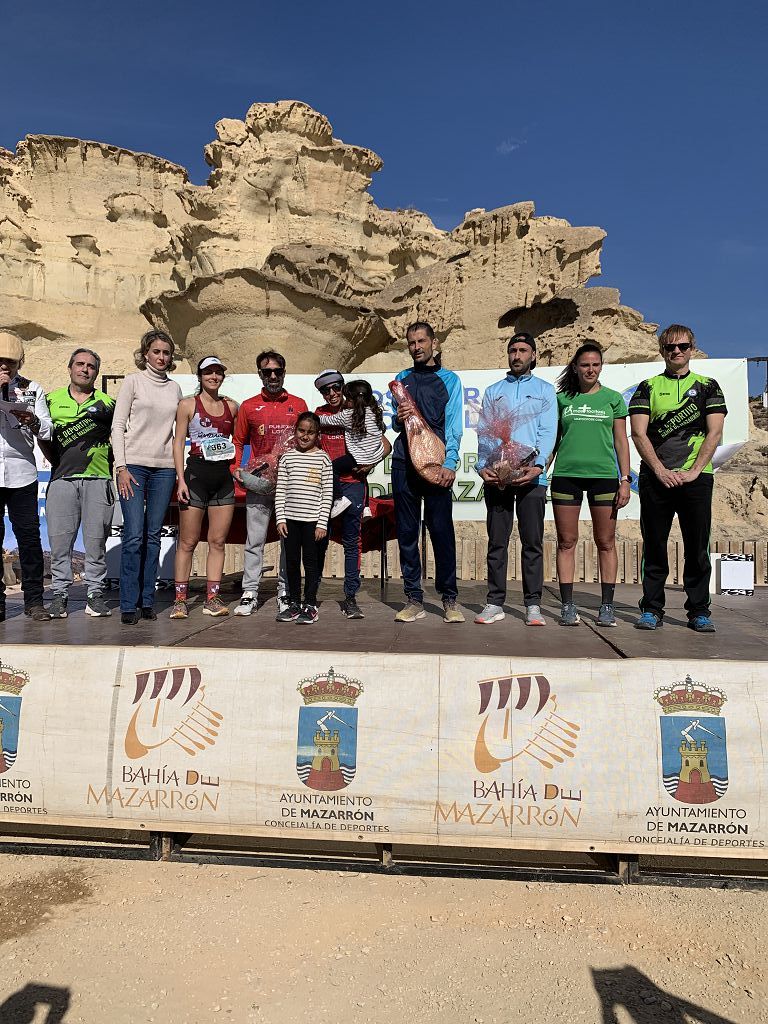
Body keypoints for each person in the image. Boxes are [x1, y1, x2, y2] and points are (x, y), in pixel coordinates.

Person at [629, 324, 727, 632]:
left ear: (692, 349)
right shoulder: (648, 386)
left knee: (697, 546)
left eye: (682, 346)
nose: (676, 352)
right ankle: (652, 609)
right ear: (661, 351)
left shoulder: (709, 385)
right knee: (655, 545)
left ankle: (699, 610)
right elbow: (638, 432)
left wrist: (695, 470)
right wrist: (659, 470)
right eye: (670, 347)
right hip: (656, 478)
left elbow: (715, 431)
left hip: (696, 479)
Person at [474, 332, 557, 626]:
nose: (517, 355)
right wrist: (484, 465)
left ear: (533, 355)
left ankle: (533, 604)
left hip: (532, 477)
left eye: (523, 350)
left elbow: (548, 432)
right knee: (497, 542)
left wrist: (538, 467)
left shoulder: (546, 390)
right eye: (512, 350)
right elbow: (485, 432)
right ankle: (495, 602)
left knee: (531, 542)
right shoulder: (494, 390)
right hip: (499, 475)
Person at [550, 343, 631, 627]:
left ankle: (606, 606)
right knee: (566, 542)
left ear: (601, 367)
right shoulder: (562, 399)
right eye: (585, 364)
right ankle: (567, 606)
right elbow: (553, 441)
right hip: (566, 475)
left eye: (595, 364)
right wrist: (540, 473)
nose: (590, 369)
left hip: (604, 477)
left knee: (606, 542)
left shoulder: (613, 399)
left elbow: (621, 441)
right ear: (575, 367)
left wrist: (625, 480)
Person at [391, 321, 464, 623]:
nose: (417, 347)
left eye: (422, 341)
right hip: (404, 463)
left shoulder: (449, 380)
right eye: (411, 343)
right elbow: (398, 425)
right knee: (407, 533)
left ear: (434, 342)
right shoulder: (401, 379)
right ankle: (413, 599)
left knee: (441, 533)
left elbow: (454, 426)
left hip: (436, 466)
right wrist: (399, 418)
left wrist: (450, 464)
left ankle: (449, 600)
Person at [111, 329, 182, 625]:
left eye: (166, 352)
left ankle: (147, 601)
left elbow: (179, 433)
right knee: (134, 535)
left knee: (154, 536)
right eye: (156, 352)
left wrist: (179, 472)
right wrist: (121, 466)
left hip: (164, 469)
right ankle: (128, 603)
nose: (162, 357)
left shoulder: (176, 388)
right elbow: (117, 426)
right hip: (134, 467)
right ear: (145, 354)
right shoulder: (133, 381)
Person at [232, 350, 307, 617]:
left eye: (277, 371)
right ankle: (250, 592)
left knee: (290, 540)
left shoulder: (298, 404)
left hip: (290, 484)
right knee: (255, 540)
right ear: (260, 374)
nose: (272, 376)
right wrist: (236, 468)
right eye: (267, 372)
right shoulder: (249, 406)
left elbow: (305, 441)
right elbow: (239, 442)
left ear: (284, 373)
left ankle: (285, 591)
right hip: (259, 482)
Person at [45, 348, 116, 618]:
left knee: (96, 541)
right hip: (62, 479)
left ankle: (95, 594)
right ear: (70, 367)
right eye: (80, 364)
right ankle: (60, 595)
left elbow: (118, 439)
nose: (85, 369)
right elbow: (43, 437)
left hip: (99, 478)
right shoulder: (51, 400)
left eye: (90, 366)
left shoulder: (109, 403)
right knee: (60, 542)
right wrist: (58, 463)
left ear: (97, 372)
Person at [170, 357, 239, 620]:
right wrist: (181, 480)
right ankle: (179, 600)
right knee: (187, 542)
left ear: (223, 376)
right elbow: (178, 443)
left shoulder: (232, 407)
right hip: (196, 476)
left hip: (222, 478)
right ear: (200, 376)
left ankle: (212, 598)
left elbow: (240, 439)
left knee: (218, 541)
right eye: (208, 372)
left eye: (218, 372)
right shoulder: (188, 405)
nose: (213, 376)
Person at [0, 329, 52, 621]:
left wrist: (31, 419)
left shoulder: (33, 388)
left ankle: (34, 601)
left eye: (10, 361)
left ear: (19, 362)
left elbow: (48, 429)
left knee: (29, 538)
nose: (5, 367)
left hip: (22, 472)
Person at [274, 412, 333, 624]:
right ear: (295, 431)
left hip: (312, 522)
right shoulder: (288, 457)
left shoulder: (323, 458)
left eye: (310, 432)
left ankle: (310, 604)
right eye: (301, 431)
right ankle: (294, 604)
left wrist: (322, 523)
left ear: (317, 435)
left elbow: (327, 493)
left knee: (311, 563)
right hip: (290, 522)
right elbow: (280, 490)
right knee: (291, 563)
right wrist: (280, 518)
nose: (305, 436)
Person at [317, 378, 387, 517]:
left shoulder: (347, 415)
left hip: (357, 458)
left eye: (347, 398)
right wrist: (372, 461)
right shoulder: (373, 411)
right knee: (364, 476)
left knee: (332, 468)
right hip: (373, 455)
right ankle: (366, 507)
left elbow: (326, 420)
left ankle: (339, 499)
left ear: (353, 400)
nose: (345, 401)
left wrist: (308, 417)